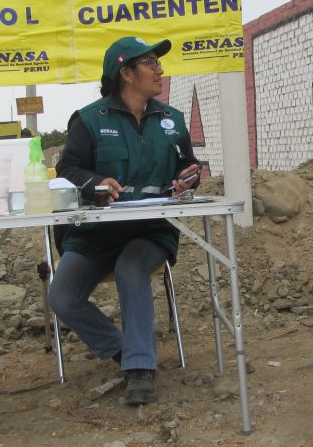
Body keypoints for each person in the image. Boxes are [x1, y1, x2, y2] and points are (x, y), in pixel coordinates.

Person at [48, 36, 200, 406]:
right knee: (62, 297)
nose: (160, 69)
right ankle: (125, 350)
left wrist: (188, 180)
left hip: (150, 230)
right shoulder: (89, 120)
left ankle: (140, 369)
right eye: (150, 62)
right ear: (126, 73)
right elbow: (68, 168)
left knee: (132, 268)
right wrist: (94, 183)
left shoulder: (172, 120)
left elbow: (189, 168)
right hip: (95, 233)